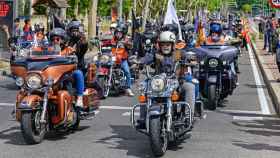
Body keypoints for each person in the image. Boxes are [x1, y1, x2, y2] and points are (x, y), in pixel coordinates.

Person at [140, 31, 196, 123]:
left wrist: (191, 60)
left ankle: (188, 117)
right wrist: (139, 62)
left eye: (168, 44)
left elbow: (187, 56)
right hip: (159, 84)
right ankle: (143, 117)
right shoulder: (156, 54)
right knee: (144, 86)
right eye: (163, 44)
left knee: (190, 87)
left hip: (176, 82)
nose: (165, 46)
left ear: (173, 45)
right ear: (159, 45)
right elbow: (147, 58)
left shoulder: (178, 53)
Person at [49, 28, 86, 108]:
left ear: (63, 40)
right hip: (51, 75)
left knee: (78, 73)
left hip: (66, 74)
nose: (55, 41)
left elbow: (75, 57)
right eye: (53, 39)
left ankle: (80, 97)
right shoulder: (48, 51)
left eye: (58, 39)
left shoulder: (69, 50)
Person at [111, 23, 134, 96]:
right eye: (117, 33)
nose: (118, 35)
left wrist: (127, 43)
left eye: (120, 33)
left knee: (127, 71)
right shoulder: (112, 39)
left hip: (122, 60)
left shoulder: (126, 40)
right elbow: (105, 43)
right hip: (112, 59)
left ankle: (128, 88)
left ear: (123, 34)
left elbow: (130, 46)